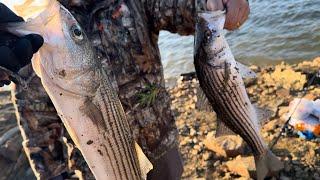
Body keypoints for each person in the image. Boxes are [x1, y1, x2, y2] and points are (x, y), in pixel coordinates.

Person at [0, 0, 249, 179]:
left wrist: (214, 5)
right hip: (98, 167)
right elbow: (38, 127)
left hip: (161, 144)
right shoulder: (34, 37)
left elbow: (177, 7)